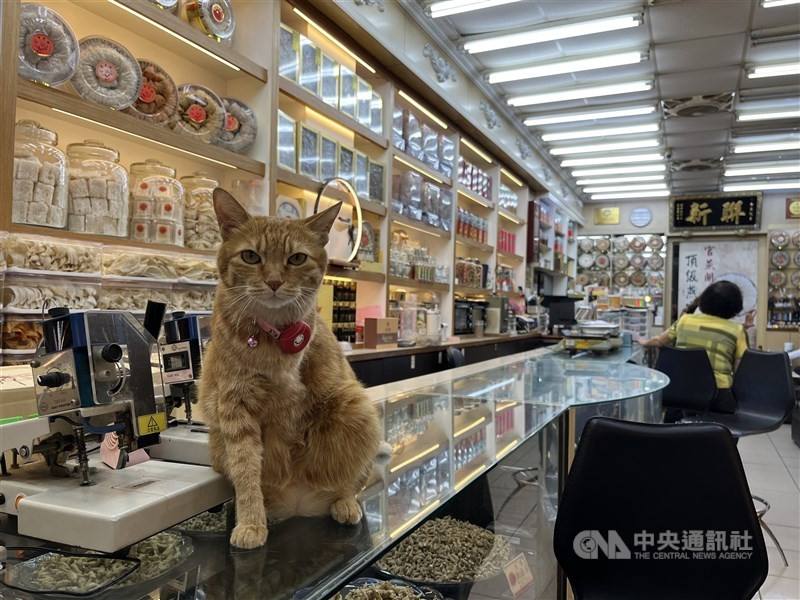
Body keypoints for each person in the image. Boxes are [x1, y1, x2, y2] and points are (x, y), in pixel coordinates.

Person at [639, 281, 755, 413]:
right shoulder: (737, 330)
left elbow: (659, 341)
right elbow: (741, 368)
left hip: (679, 391)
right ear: (735, 307)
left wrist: (641, 340)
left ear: (705, 300)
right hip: (717, 396)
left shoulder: (685, 320)